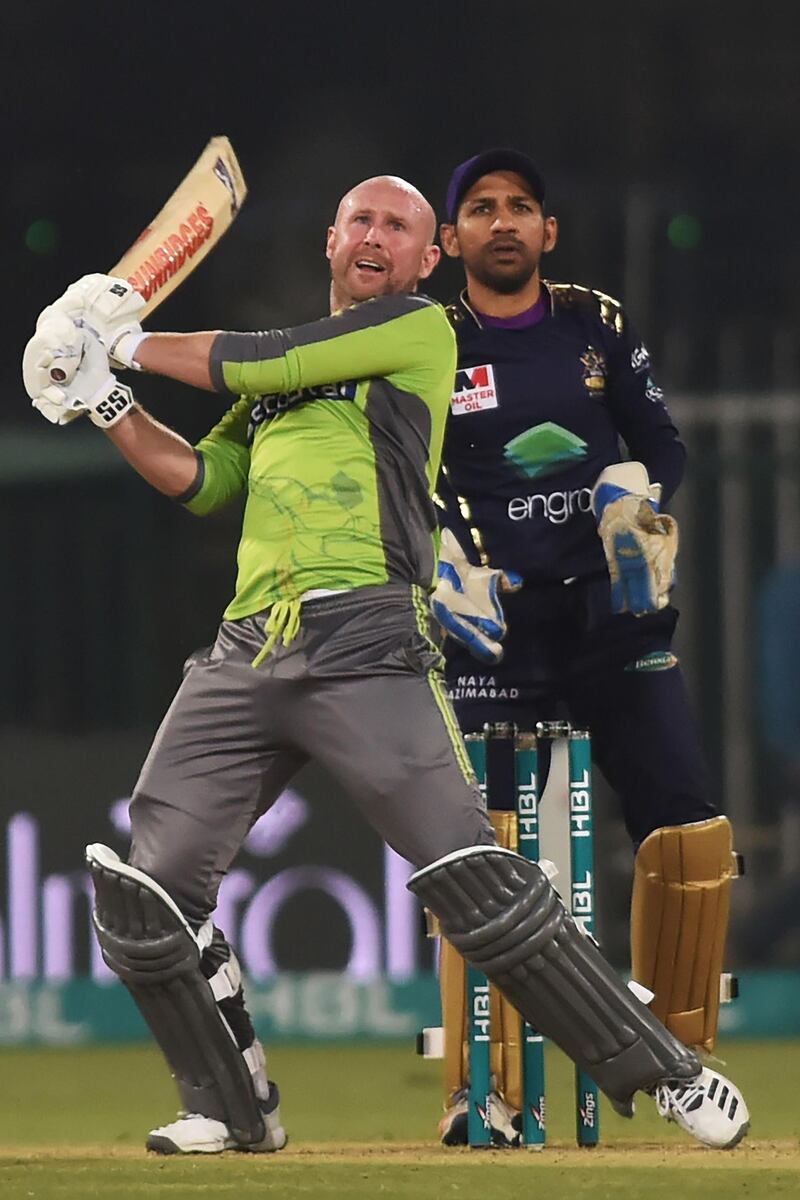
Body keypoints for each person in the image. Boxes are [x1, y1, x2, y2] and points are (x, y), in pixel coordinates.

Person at [23, 174, 747, 1156]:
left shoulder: (415, 332)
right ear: (331, 241)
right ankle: (231, 1113)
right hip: (248, 645)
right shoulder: (278, 376)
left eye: (396, 225)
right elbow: (203, 482)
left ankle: (670, 1075)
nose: (374, 234)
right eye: (358, 219)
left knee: (478, 885)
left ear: (424, 259)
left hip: (368, 643)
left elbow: (258, 361)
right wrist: (106, 399)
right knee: (146, 894)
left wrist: (122, 339)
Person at [430, 149, 742, 1145]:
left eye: (520, 207)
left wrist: (633, 492)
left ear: (547, 231)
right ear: (451, 241)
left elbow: (661, 441)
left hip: (610, 609)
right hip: (491, 621)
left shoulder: (593, 322)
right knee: (485, 863)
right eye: (480, 210)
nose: (503, 222)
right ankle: (486, 1094)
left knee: (687, 834)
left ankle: (676, 1059)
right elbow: (397, 465)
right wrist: (437, 554)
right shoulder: (428, 338)